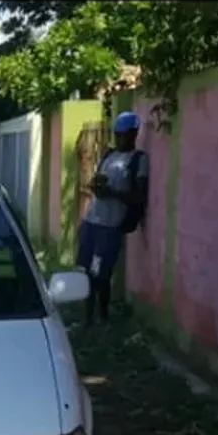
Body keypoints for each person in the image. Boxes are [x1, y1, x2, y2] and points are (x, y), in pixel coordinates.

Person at [76, 110, 149, 324]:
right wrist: (95, 186)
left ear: (134, 134)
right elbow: (98, 181)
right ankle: (87, 318)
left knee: (101, 273)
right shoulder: (108, 156)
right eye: (117, 134)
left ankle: (103, 316)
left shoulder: (138, 160)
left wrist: (114, 194)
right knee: (87, 271)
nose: (119, 139)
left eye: (124, 134)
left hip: (110, 226)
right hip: (92, 220)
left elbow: (139, 195)